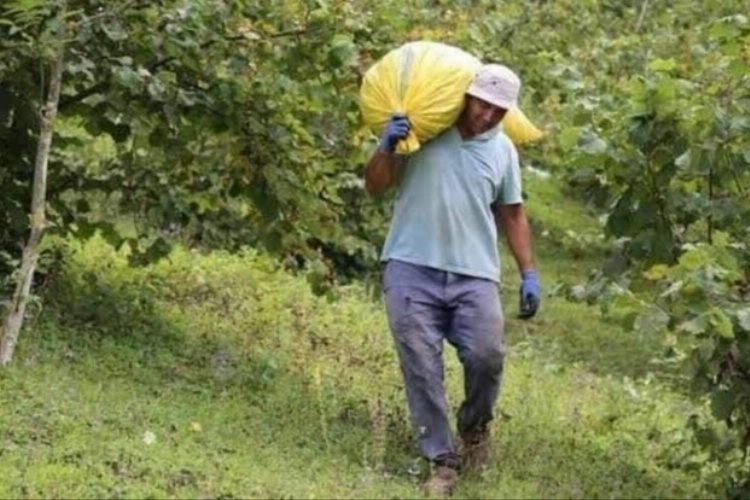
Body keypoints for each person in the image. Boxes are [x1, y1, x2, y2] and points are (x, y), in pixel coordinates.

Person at [364, 63, 541, 497]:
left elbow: (513, 213)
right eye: (482, 105)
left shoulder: (503, 150)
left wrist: (529, 273)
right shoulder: (424, 130)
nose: (487, 116)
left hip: (474, 274)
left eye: (499, 111)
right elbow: (375, 186)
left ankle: (474, 429)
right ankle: (442, 461)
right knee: (421, 365)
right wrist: (385, 147)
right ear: (467, 96)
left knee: (487, 357)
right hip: (410, 266)